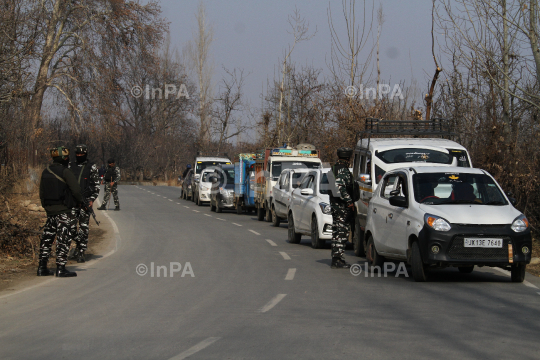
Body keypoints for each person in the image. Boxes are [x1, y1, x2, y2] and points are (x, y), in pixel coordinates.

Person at [37, 146, 84, 277]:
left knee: (46, 239)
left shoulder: (45, 171)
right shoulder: (66, 172)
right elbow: (76, 190)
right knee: (63, 239)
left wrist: (47, 208)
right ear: (64, 158)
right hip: (63, 211)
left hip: (50, 211)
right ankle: (60, 268)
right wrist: (80, 202)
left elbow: (41, 193)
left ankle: (42, 267)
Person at [68, 144, 100, 263]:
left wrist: (91, 200)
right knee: (70, 227)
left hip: (85, 202)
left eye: (82, 154)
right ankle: (77, 245)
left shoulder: (91, 167)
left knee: (84, 228)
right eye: (77, 154)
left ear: (85, 154)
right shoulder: (70, 166)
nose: (79, 156)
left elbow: (96, 186)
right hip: (72, 202)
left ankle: (81, 251)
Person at [329, 147, 355, 269]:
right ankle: (337, 259)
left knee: (336, 232)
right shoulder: (343, 170)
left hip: (334, 204)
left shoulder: (333, 169)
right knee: (341, 232)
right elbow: (340, 187)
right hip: (341, 206)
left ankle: (336, 258)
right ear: (348, 158)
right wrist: (349, 201)